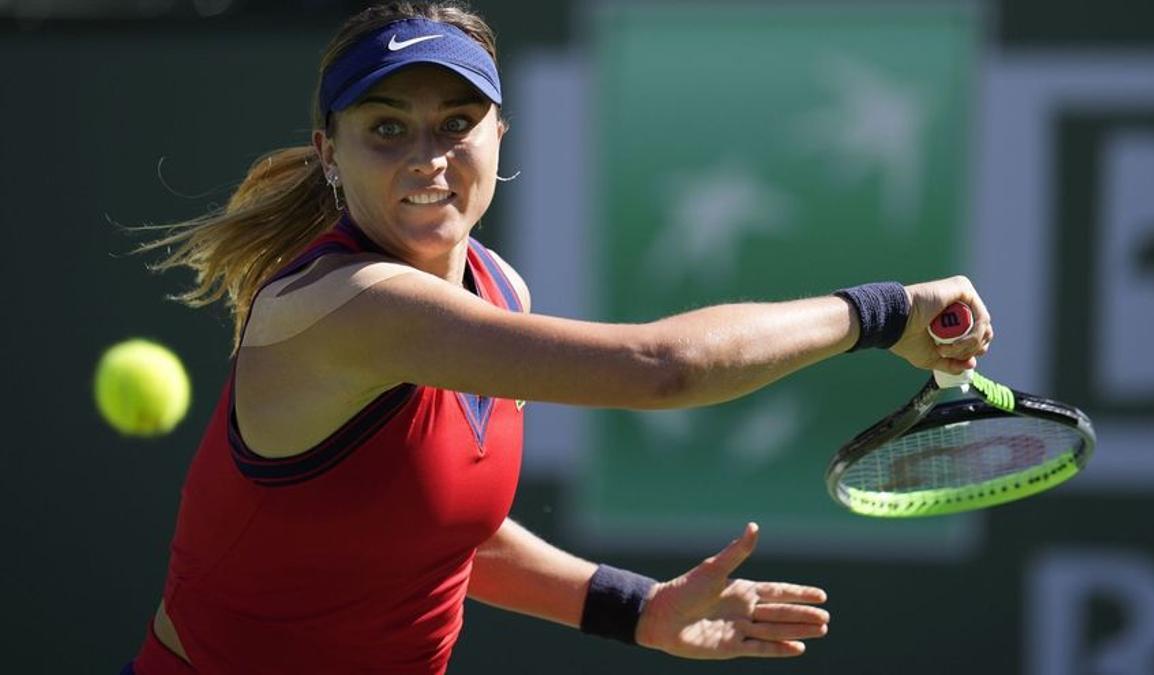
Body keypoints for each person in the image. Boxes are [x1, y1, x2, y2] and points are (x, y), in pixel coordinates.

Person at [124, 1, 993, 673]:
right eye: (386, 127)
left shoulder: (499, 291)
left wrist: (636, 607)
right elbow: (664, 369)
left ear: (500, 136)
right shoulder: (350, 305)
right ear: (328, 152)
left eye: (457, 122)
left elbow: (442, 533)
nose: (428, 155)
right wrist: (883, 313)